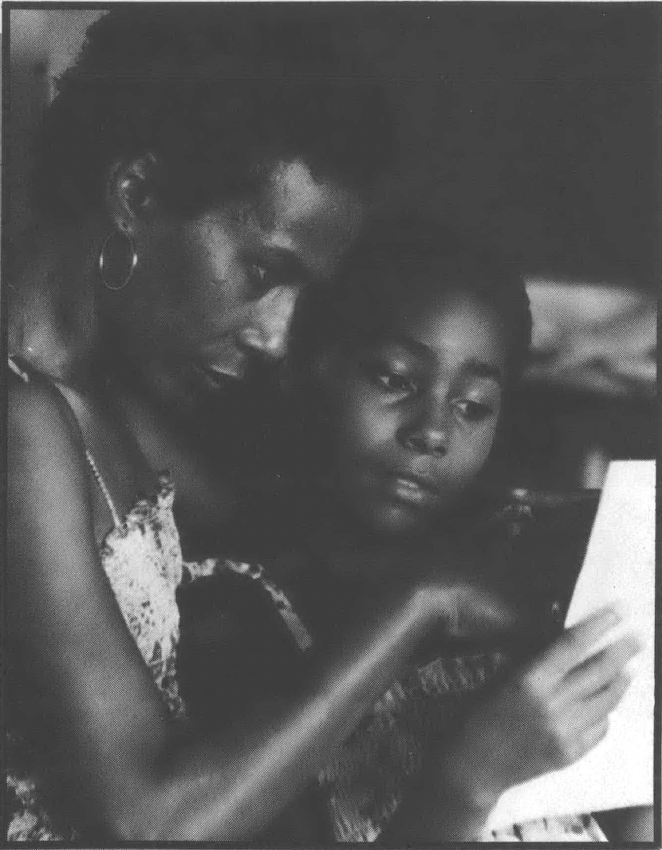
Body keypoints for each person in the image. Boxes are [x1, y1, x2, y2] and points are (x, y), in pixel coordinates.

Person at [179, 212, 647, 842]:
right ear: (307, 366)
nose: (432, 432)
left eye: (473, 407)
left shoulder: (523, 566)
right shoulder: (235, 612)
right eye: (394, 379)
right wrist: (470, 782)